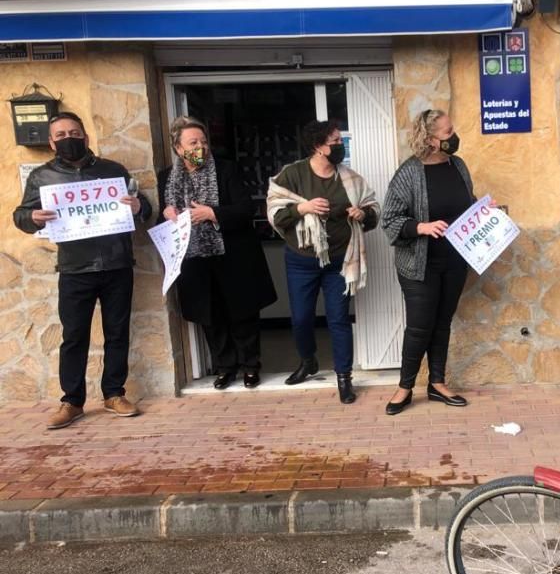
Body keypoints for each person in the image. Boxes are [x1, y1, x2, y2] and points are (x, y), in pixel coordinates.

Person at [13, 112, 151, 429]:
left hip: (117, 264)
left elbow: (143, 205)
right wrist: (31, 218)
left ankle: (114, 394)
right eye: (60, 135)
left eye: (74, 132)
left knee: (118, 333)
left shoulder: (112, 171)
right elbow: (21, 214)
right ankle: (72, 401)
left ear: (86, 137)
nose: (68, 139)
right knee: (74, 336)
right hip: (75, 269)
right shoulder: (42, 178)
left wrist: (139, 206)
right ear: (51, 142)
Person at [158, 116, 277, 390]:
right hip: (194, 261)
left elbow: (246, 208)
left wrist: (212, 213)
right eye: (193, 143)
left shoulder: (226, 170)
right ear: (178, 148)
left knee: (242, 313)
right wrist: (166, 214)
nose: (200, 147)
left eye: (203, 141)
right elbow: (162, 221)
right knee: (210, 316)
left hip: (232, 254)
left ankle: (250, 366)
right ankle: (225, 367)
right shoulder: (167, 177)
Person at [266, 119, 379, 404]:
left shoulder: (350, 178)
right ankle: (308, 362)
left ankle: (344, 377)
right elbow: (275, 213)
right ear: (318, 146)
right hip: (301, 260)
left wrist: (362, 215)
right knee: (302, 318)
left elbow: (372, 212)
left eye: (340, 141)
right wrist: (302, 207)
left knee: (338, 319)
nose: (340, 146)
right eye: (335, 142)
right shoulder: (292, 175)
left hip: (340, 259)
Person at [381, 109, 475, 416]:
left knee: (442, 323)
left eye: (452, 129)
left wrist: (488, 215)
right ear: (430, 139)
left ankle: (437, 383)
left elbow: (466, 205)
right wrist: (420, 227)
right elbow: (390, 219)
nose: (454, 136)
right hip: (420, 264)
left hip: (454, 260)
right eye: (447, 133)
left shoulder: (458, 166)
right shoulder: (409, 172)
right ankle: (405, 387)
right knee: (420, 327)